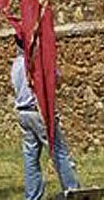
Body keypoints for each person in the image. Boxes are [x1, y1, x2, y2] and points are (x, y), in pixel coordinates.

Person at [11, 37, 80, 199]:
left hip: (23, 111)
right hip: (38, 111)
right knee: (59, 151)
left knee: (30, 155)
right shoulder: (38, 61)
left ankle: (32, 195)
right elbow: (54, 80)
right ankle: (72, 189)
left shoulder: (16, 64)